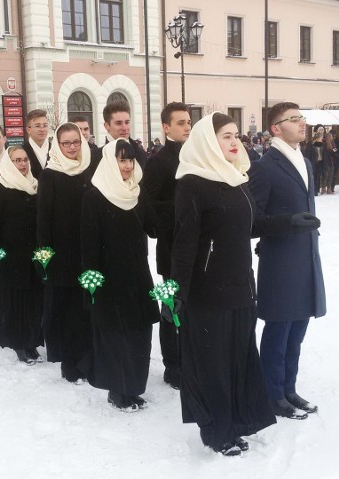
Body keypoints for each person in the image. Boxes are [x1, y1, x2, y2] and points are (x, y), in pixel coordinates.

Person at [170, 112, 276, 457]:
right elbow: (184, 244)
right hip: (208, 291)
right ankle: (218, 431)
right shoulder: (192, 183)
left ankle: (237, 420)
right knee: (214, 364)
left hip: (242, 285)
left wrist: (288, 222)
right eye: (226, 136)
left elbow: (247, 225)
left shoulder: (236, 177)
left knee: (238, 358)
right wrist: (175, 294)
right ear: (207, 142)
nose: (235, 142)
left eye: (236, 135)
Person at [249, 102, 325, 421]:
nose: (302, 123)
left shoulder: (304, 161)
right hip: (280, 260)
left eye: (302, 117)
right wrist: (289, 222)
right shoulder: (266, 166)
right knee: (279, 331)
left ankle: (288, 388)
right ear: (276, 129)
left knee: (298, 331)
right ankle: (272, 393)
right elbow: (252, 221)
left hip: (305, 257)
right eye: (294, 119)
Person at [81, 139, 159, 412]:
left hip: (137, 273)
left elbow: (153, 227)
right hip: (109, 277)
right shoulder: (95, 195)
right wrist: (91, 283)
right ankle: (117, 389)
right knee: (116, 335)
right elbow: (88, 245)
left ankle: (134, 386)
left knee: (139, 332)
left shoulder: (137, 192)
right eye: (121, 160)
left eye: (130, 160)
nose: (127, 166)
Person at [37, 122, 94, 383]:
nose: (72, 148)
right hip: (62, 254)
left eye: (76, 142)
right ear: (57, 146)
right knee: (67, 310)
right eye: (66, 143)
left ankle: (88, 358)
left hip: (88, 250)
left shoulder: (90, 168)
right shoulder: (50, 175)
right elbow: (43, 221)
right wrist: (44, 258)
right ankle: (70, 363)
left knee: (86, 309)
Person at [141, 101, 191, 389]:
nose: (186, 126)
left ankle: (190, 359)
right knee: (171, 307)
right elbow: (149, 204)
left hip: (196, 250)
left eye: (188, 122)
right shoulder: (159, 162)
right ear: (166, 127)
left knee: (191, 309)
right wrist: (183, 211)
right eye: (180, 122)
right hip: (171, 249)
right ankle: (173, 366)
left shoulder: (198, 155)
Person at [0, 146, 44, 364]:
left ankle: (32, 342)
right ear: (9, 163)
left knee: (33, 302)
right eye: (17, 160)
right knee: (16, 303)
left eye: (25, 160)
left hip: (32, 255)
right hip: (11, 257)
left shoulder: (34, 185)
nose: (22, 164)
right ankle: (20, 344)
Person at [102, 100, 147, 168]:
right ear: (107, 126)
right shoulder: (96, 157)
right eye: (118, 123)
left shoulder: (140, 154)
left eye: (127, 122)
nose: (124, 128)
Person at [22, 109, 50, 178]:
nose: (42, 129)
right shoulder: (21, 151)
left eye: (45, 125)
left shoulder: (56, 149)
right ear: (28, 130)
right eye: (37, 126)